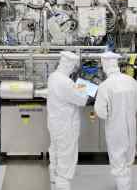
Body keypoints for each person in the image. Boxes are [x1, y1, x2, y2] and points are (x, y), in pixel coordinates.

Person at [94, 52, 137, 190]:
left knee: (118, 163)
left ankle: (123, 187)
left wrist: (113, 112)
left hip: (116, 129)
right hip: (131, 127)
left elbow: (101, 112)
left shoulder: (105, 86)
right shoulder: (130, 81)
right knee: (128, 161)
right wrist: (128, 110)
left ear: (105, 65)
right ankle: (125, 185)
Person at [47, 51, 90, 190]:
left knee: (55, 154)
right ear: (69, 66)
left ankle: (53, 183)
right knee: (66, 161)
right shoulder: (65, 82)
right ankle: (62, 185)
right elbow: (82, 99)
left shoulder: (53, 77)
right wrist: (84, 82)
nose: (73, 70)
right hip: (66, 127)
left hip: (54, 124)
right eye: (73, 67)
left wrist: (77, 82)